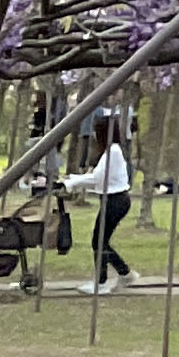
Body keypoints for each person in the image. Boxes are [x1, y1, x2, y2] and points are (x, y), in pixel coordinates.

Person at [62, 114, 135, 296]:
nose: (94, 135)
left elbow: (97, 178)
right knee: (101, 241)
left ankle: (103, 282)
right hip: (112, 199)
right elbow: (98, 180)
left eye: (97, 131)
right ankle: (125, 273)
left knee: (99, 241)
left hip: (116, 200)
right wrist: (72, 180)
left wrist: (72, 182)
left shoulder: (114, 153)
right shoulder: (109, 152)